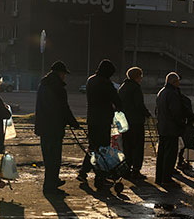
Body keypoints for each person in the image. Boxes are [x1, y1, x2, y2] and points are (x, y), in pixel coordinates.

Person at [35, 61, 80, 195]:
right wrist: (73, 122)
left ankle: (52, 181)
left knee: (48, 157)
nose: (64, 77)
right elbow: (63, 108)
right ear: (60, 74)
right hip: (54, 127)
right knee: (54, 158)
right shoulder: (59, 88)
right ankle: (51, 185)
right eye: (64, 74)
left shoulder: (43, 85)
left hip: (44, 126)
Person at [77, 59, 119, 187]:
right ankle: (100, 177)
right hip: (103, 120)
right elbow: (116, 100)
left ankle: (83, 172)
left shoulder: (91, 80)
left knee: (93, 147)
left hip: (92, 118)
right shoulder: (106, 83)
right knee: (103, 149)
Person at [155, 72, 188, 187]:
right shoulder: (172, 94)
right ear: (174, 82)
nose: (179, 84)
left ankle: (159, 177)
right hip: (171, 128)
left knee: (162, 153)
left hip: (163, 126)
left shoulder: (161, 92)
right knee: (170, 154)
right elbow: (176, 112)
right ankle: (167, 178)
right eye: (178, 81)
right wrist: (182, 123)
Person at [118, 67, 150, 179]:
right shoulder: (136, 88)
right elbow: (139, 104)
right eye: (140, 76)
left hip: (125, 122)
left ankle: (127, 168)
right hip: (136, 121)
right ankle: (136, 170)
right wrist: (147, 114)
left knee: (127, 145)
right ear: (137, 76)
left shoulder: (122, 87)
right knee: (137, 145)